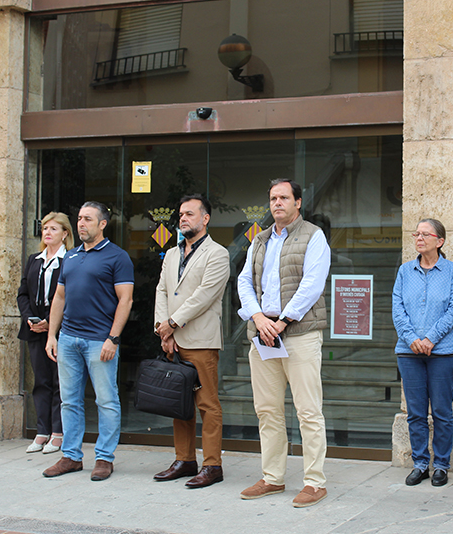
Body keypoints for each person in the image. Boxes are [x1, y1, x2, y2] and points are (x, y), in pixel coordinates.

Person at [237, 178, 331, 508]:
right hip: (263, 334)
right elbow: (244, 281)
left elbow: (312, 284)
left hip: (299, 333)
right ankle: (272, 477)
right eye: (273, 198)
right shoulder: (259, 240)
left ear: (298, 202)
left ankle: (314, 482)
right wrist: (258, 318)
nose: (277, 203)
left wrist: (283, 321)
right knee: (267, 410)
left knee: (308, 411)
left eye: (284, 197)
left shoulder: (313, 236)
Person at [42, 202, 134, 481]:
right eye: (80, 219)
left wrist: (113, 338)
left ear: (102, 224)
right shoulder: (70, 256)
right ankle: (70, 456)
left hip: (99, 341)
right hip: (68, 338)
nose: (81, 224)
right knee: (69, 401)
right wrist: (52, 335)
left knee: (106, 401)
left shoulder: (117, 257)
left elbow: (126, 300)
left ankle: (104, 458)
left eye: (88, 219)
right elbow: (60, 297)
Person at [153, 194, 230, 488]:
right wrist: (162, 329)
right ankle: (184, 460)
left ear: (205, 219)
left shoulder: (217, 253)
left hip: (201, 341)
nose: (183, 218)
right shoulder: (172, 254)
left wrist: (172, 324)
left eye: (189, 214)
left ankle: (212, 465)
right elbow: (162, 290)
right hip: (172, 340)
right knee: (179, 403)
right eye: (181, 214)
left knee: (207, 405)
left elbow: (204, 296)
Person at [391, 218, 453, 487]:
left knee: (442, 412)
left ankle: (441, 465)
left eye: (425, 234)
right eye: (417, 234)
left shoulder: (452, 271)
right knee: (416, 413)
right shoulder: (405, 271)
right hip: (409, 352)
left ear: (439, 241)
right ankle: (420, 463)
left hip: (443, 353)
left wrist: (431, 338)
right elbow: (397, 308)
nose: (419, 238)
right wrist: (412, 339)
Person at [17, 212, 74, 454]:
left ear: (65, 233)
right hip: (35, 328)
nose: (47, 232)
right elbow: (22, 293)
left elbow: (70, 296)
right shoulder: (34, 260)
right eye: (44, 228)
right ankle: (42, 431)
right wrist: (30, 318)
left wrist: (51, 322)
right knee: (40, 381)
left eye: (53, 228)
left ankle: (58, 433)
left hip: (60, 329)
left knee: (59, 382)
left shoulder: (70, 259)